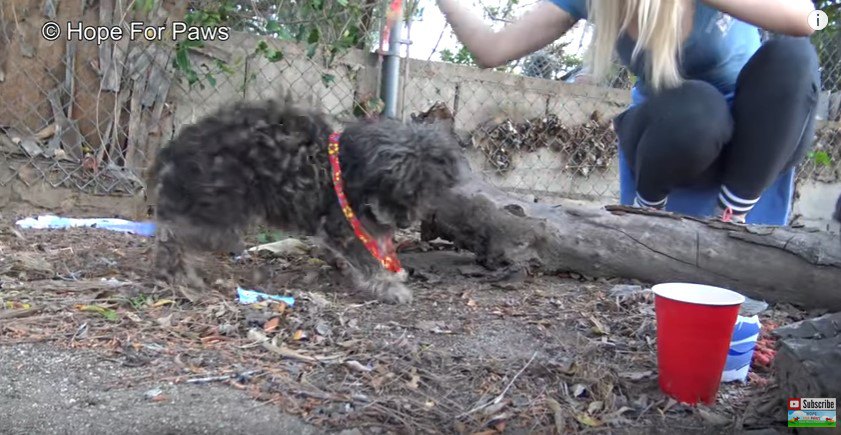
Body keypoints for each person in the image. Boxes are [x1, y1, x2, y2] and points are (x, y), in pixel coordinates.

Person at [435, 0, 820, 225]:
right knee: (698, 105)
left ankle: (733, 217)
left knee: (794, 54)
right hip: (675, 137)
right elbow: (491, 49)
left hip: (758, 140)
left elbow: (810, 19)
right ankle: (647, 218)